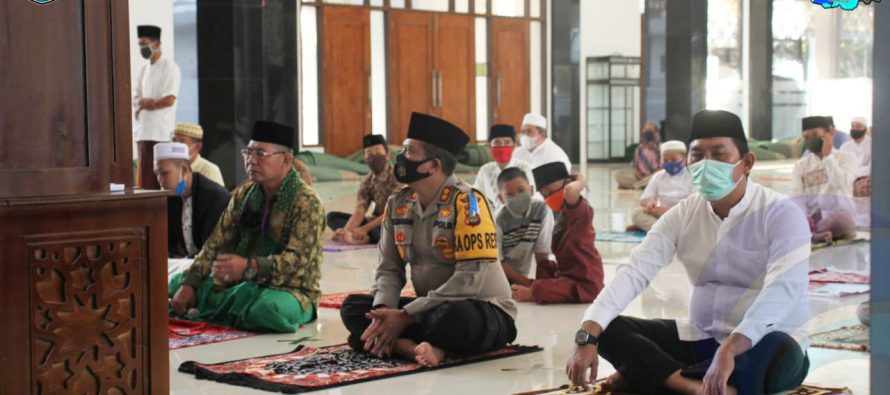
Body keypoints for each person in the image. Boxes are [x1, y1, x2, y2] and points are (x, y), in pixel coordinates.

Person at [566, 110, 811, 395]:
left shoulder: (781, 214)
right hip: (701, 339)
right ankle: (687, 386)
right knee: (607, 327)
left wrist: (732, 347)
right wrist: (586, 336)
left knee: (779, 354)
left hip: (760, 343)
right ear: (688, 162)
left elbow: (784, 289)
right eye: (697, 155)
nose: (706, 164)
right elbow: (635, 271)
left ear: (747, 163)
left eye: (718, 154)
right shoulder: (683, 213)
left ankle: (656, 374)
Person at [340, 112, 517, 367]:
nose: (399, 157)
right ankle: (409, 347)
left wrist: (406, 316)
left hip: (481, 308)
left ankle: (390, 341)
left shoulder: (469, 204)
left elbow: (469, 280)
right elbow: (389, 269)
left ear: (433, 165)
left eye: (409, 151)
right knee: (353, 307)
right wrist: (383, 313)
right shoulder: (397, 204)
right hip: (427, 309)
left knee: (455, 317)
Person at [168, 121, 324, 333]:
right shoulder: (244, 195)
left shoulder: (307, 202)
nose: (251, 160)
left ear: (286, 159)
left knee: (268, 310)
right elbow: (215, 243)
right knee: (178, 282)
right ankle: (216, 304)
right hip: (239, 283)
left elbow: (297, 263)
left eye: (261, 154)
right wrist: (190, 283)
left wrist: (249, 268)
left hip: (289, 289)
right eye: (248, 152)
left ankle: (212, 307)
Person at [510, 162, 604, 304]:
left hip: (585, 282)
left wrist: (580, 180)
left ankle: (534, 291)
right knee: (544, 266)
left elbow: (570, 192)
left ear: (567, 184)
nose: (548, 197)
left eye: (550, 191)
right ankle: (542, 287)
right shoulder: (560, 214)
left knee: (540, 289)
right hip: (566, 274)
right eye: (544, 194)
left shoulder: (579, 209)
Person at [153, 142, 230, 258]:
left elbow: (213, 249)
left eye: (164, 173)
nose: (159, 179)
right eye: (157, 173)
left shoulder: (215, 197)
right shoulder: (170, 197)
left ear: (184, 170)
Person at [791, 116, 858, 242]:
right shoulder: (801, 165)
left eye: (815, 135)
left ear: (830, 133)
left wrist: (828, 158)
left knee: (843, 222)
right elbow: (795, 196)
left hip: (838, 216)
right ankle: (815, 234)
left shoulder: (847, 158)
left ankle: (811, 236)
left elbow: (841, 183)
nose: (811, 140)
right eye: (806, 137)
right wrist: (804, 217)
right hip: (811, 219)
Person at [327, 134, 401, 245]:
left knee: (385, 231)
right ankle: (358, 236)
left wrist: (365, 229)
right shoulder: (367, 181)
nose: (374, 156)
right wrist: (345, 231)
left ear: (387, 155)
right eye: (369, 153)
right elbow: (360, 211)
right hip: (376, 220)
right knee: (332, 217)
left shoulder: (397, 176)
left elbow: (393, 211)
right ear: (365, 159)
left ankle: (365, 237)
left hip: (395, 220)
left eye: (377, 152)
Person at [134, 25, 181, 190]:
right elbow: (136, 98)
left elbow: (169, 99)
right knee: (143, 181)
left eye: (144, 44)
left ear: (155, 44)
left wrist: (149, 103)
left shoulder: (169, 66)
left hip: (160, 133)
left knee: (157, 179)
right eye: (139, 44)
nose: (141, 48)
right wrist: (146, 103)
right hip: (143, 132)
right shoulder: (144, 70)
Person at [494, 167, 554, 286]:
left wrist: (541, 286)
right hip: (498, 276)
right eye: (509, 194)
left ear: (531, 190)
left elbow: (542, 252)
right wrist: (529, 284)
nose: (517, 197)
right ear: (501, 198)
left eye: (521, 190)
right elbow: (497, 262)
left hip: (522, 276)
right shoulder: (497, 220)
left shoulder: (542, 210)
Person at [629, 140, 694, 232]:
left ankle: (658, 230)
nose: (669, 163)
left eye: (674, 160)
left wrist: (670, 211)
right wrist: (649, 204)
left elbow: (695, 205)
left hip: (684, 214)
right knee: (637, 213)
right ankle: (667, 231)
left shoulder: (692, 176)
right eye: (665, 160)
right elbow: (645, 198)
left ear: (684, 159)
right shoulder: (658, 176)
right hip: (661, 214)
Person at [474, 124, 531, 212]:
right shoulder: (485, 170)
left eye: (507, 142)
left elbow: (532, 199)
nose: (502, 146)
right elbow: (476, 198)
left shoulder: (525, 169)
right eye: (497, 142)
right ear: (489, 146)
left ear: (514, 145)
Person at [509, 113, 572, 184]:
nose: (525, 136)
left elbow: (557, 183)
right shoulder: (517, 152)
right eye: (523, 132)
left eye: (529, 131)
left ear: (542, 135)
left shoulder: (556, 154)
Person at [172, 122, 225, 187]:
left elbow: (217, 196)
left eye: (182, 142)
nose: (176, 146)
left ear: (197, 146)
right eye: (174, 141)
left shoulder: (210, 170)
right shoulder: (169, 169)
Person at [617, 122, 662, 190]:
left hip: (654, 176)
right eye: (645, 130)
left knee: (657, 177)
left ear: (656, 133)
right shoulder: (639, 148)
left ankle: (635, 186)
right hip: (640, 177)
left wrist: (648, 177)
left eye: (649, 131)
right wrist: (641, 178)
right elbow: (636, 168)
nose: (647, 132)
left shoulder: (661, 147)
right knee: (618, 174)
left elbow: (661, 169)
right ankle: (643, 185)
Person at [840, 116, 871, 197]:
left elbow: (873, 167)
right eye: (853, 126)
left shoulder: (872, 144)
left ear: (865, 129)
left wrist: (856, 172)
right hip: (848, 179)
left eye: (858, 126)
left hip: (865, 178)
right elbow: (841, 166)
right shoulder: (845, 146)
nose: (855, 129)